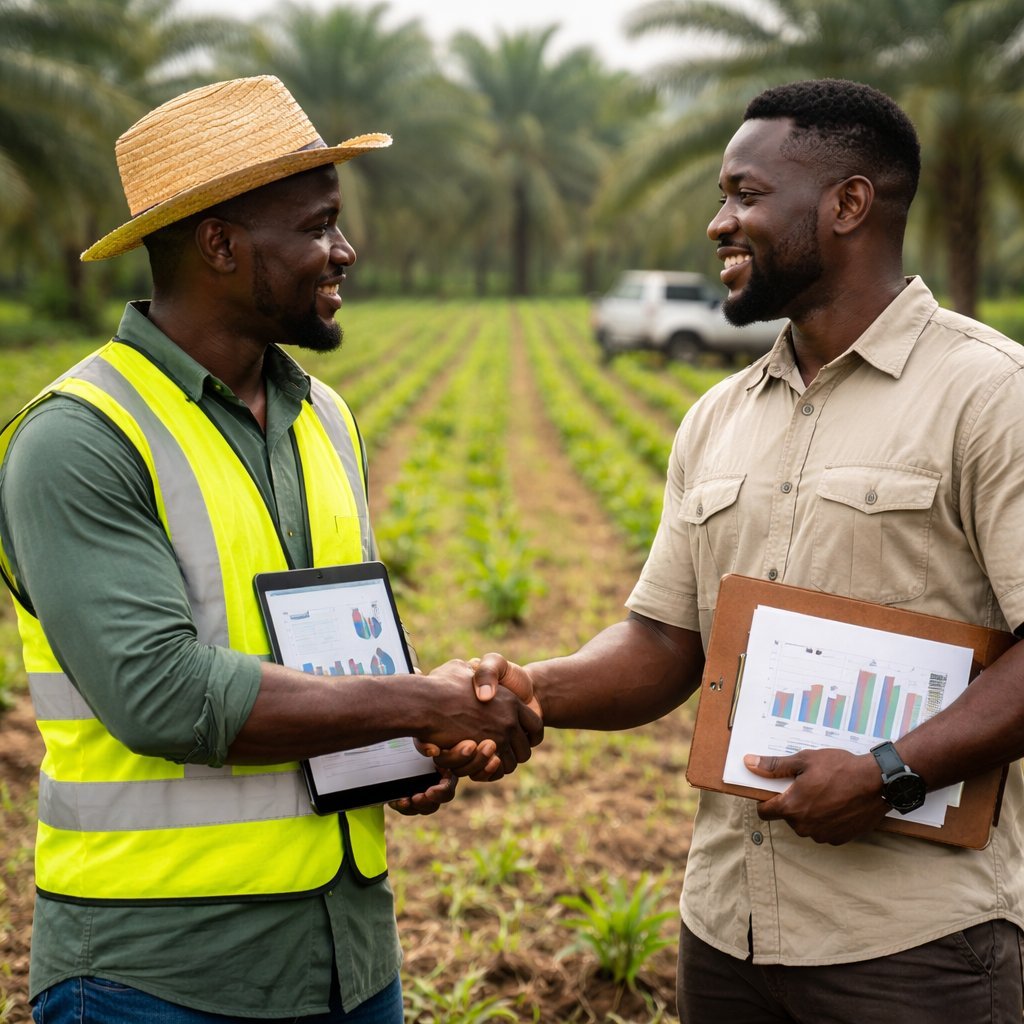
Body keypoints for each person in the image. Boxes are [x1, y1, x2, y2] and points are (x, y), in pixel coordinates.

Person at [452, 78, 1024, 1021]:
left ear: (848, 204)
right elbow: (665, 644)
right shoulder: (717, 417)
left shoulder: (986, 395)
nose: (720, 223)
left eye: (746, 195)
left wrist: (891, 772)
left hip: (912, 947)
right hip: (725, 931)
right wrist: (521, 692)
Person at [0, 75, 540, 1024]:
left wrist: (406, 750)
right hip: (157, 977)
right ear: (219, 244)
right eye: (319, 225)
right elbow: (161, 694)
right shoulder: (78, 438)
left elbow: (326, 651)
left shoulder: (323, 417)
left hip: (349, 956)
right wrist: (426, 699)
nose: (346, 250)